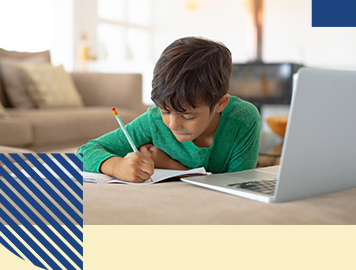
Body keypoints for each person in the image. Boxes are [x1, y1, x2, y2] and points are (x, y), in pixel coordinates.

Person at [78, 36, 261, 182]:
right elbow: (84, 152)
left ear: (221, 104)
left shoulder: (243, 118)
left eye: (187, 116)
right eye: (165, 111)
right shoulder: (154, 120)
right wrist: (117, 166)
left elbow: (238, 185)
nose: (173, 125)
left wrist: (170, 165)